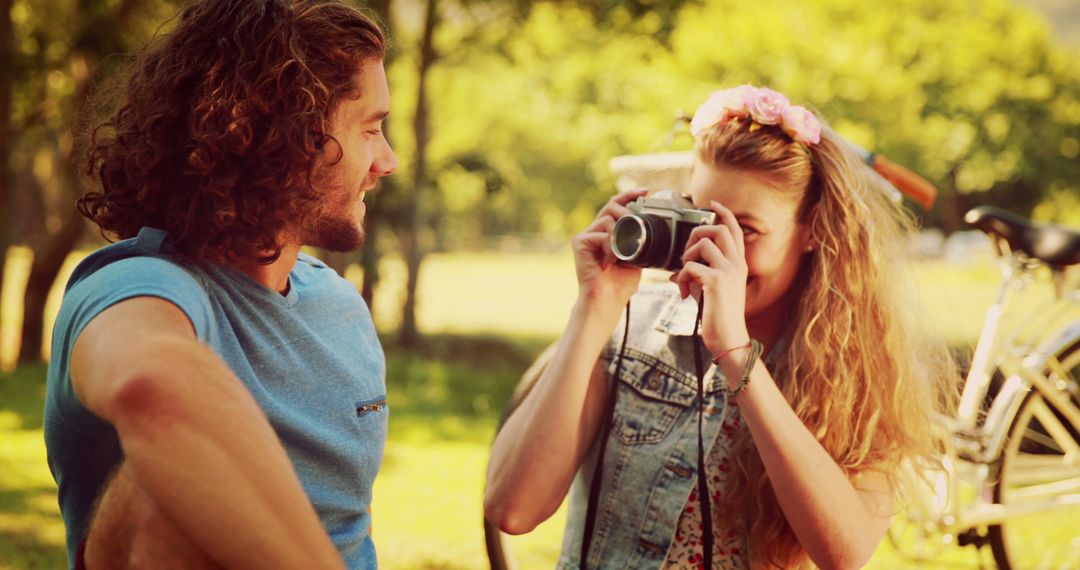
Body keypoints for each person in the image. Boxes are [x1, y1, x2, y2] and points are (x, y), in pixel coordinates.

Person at [484, 85, 954, 569]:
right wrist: (593, 310)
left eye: (745, 231)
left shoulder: (859, 367)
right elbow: (511, 510)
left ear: (813, 229)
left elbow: (844, 551)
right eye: (701, 217)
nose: (712, 250)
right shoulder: (631, 327)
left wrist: (735, 352)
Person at [43, 0, 397, 568]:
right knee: (164, 485)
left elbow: (343, 526)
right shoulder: (137, 287)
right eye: (371, 130)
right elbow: (155, 391)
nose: (388, 161)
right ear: (284, 137)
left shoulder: (337, 303)